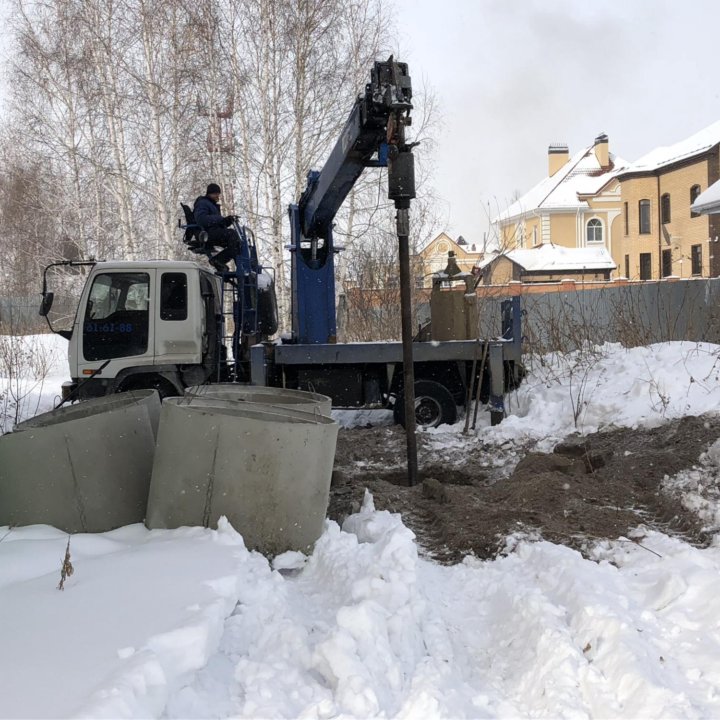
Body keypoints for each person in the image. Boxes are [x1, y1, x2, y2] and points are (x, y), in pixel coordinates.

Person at [193, 183, 239, 270]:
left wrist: (226, 221)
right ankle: (218, 260)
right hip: (206, 233)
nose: (218, 196)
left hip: (212, 231)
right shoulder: (203, 203)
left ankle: (242, 267)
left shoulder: (211, 204)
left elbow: (216, 222)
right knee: (233, 235)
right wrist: (220, 219)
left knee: (237, 244)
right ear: (211, 193)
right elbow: (201, 220)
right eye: (216, 194)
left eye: (218, 194)